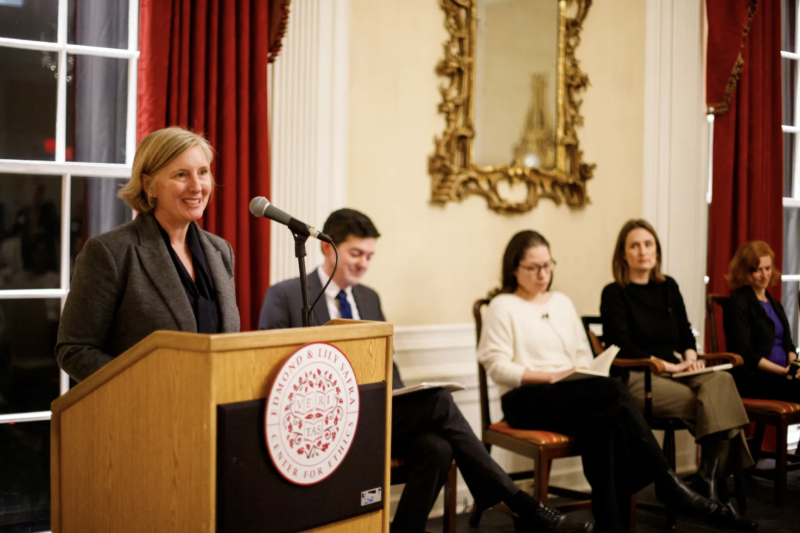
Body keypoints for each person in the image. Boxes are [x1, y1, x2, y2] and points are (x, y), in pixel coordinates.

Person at [259, 209, 592, 533]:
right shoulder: (286, 295)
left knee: (438, 448)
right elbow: (268, 368)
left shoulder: (369, 298)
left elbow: (387, 364)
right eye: (356, 253)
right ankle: (522, 505)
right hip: (321, 420)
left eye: (370, 256)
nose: (363, 263)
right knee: (438, 404)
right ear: (326, 246)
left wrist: (403, 396)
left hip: (375, 413)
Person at [478, 230, 742, 533]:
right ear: (515, 268)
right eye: (534, 267)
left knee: (604, 422)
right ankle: (667, 481)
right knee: (612, 392)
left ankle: (611, 525)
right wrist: (550, 375)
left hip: (568, 392)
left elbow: (581, 353)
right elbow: (497, 367)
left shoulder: (561, 302)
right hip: (525, 398)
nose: (543, 274)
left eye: (548, 265)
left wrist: (581, 372)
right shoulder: (503, 305)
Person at [600, 219, 755, 526]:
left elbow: (685, 333)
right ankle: (713, 489)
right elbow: (621, 346)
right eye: (634, 245)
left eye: (648, 244)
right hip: (639, 378)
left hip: (678, 369)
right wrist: (667, 365)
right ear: (623, 254)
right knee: (720, 404)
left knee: (722, 380)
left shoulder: (668, 286)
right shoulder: (614, 293)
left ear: (656, 249)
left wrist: (690, 358)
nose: (643, 251)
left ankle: (706, 480)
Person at [56, 127, 240, 382]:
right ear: (148, 185)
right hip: (142, 413)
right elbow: (74, 350)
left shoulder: (221, 251)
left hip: (212, 413)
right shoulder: (111, 253)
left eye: (203, 172)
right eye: (181, 175)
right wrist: (143, 387)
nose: (197, 186)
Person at [723, 241, 800, 401]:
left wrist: (794, 368)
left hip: (782, 375)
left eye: (767, 268)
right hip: (753, 378)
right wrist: (782, 371)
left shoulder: (775, 305)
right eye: (758, 270)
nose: (765, 275)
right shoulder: (737, 302)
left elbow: (788, 344)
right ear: (744, 272)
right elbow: (745, 353)